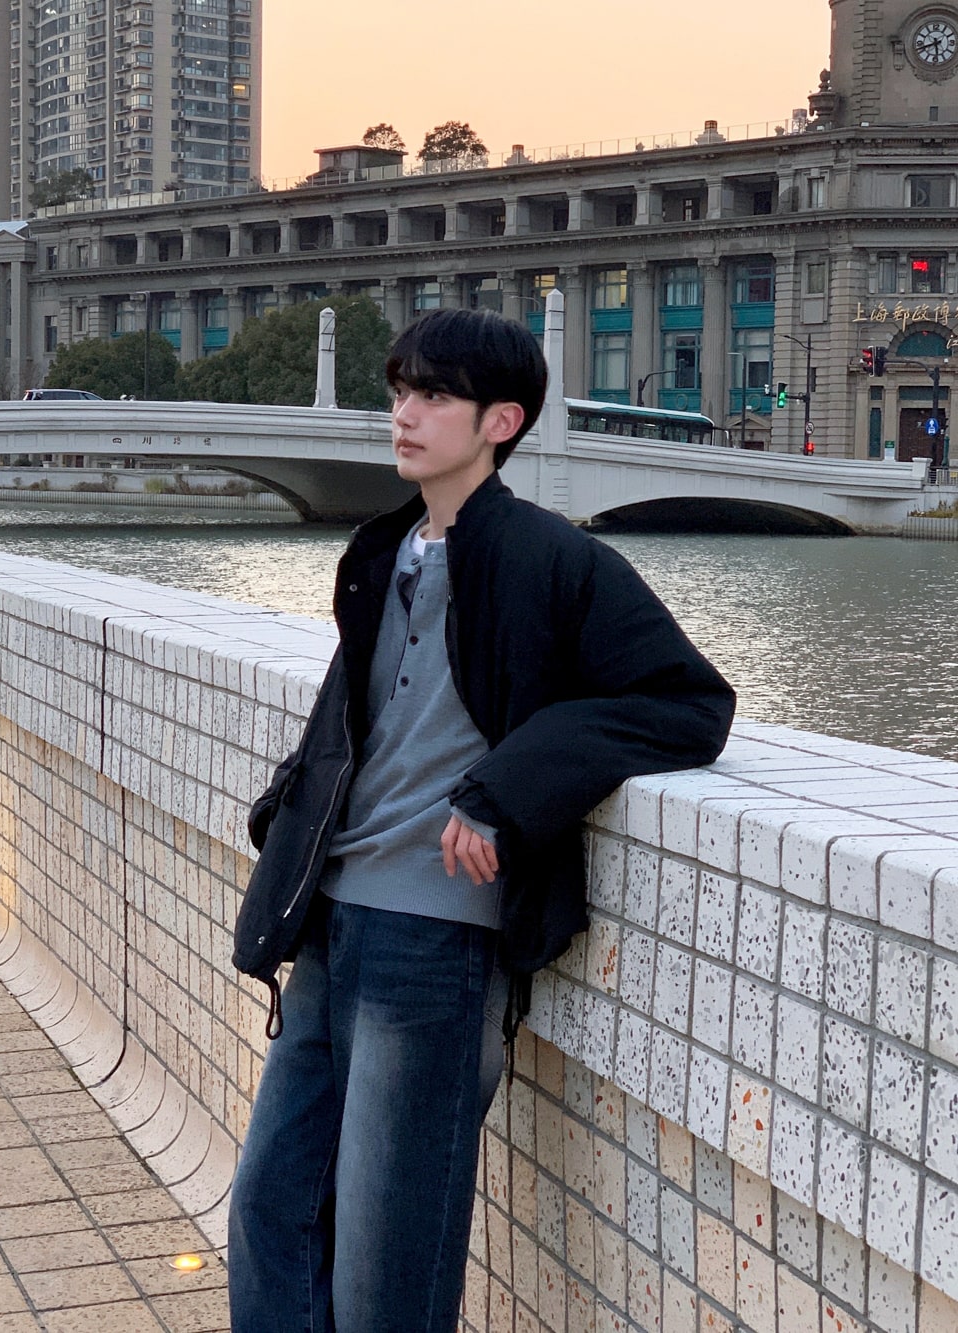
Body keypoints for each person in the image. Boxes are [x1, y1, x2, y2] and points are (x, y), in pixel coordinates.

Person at [227, 308, 736, 1333]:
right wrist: (286, 815)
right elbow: (355, 720)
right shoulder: (385, 550)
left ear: (501, 421)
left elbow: (688, 702)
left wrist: (509, 787)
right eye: (400, 391)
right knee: (268, 1211)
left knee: (385, 1261)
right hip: (327, 921)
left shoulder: (551, 558)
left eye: (434, 395)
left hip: (436, 942)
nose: (405, 414)